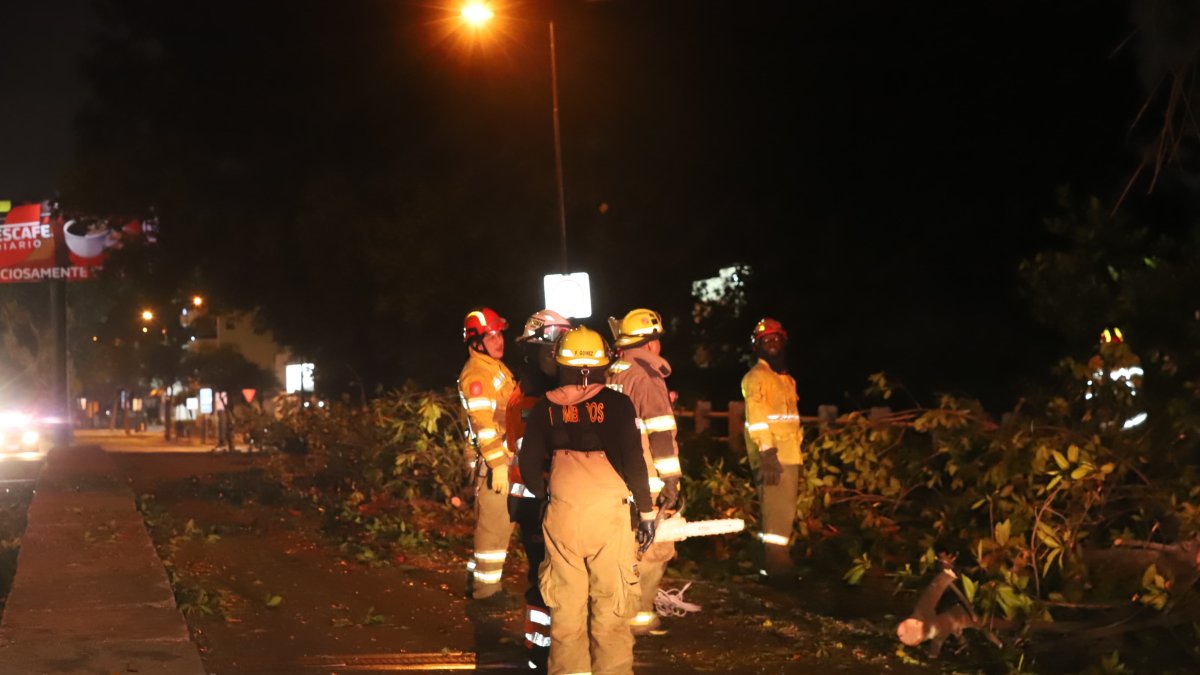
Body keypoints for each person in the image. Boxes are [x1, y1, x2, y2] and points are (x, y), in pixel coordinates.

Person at [518, 326, 656, 675]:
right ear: (601, 364)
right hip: (609, 519)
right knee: (611, 614)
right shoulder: (618, 405)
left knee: (566, 616)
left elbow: (529, 463)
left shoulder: (543, 408)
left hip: (563, 514)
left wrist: (546, 497)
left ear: (562, 364)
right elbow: (634, 461)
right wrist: (647, 512)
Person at [606, 308, 681, 636]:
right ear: (650, 343)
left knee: (624, 547)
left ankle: (616, 612)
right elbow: (660, 432)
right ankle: (638, 617)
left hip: (614, 477)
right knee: (656, 547)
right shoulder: (647, 376)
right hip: (647, 477)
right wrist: (671, 479)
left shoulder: (614, 371)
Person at [505, 309, 573, 672]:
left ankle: (553, 649)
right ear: (533, 352)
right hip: (537, 504)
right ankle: (540, 652)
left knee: (558, 577)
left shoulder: (545, 393)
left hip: (548, 501)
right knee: (544, 578)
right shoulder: (531, 398)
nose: (556, 358)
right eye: (550, 351)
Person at [457, 307, 517, 600]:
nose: (498, 341)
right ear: (475, 341)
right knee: (493, 527)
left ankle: (477, 580)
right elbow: (482, 426)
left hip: (503, 457)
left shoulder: (495, 368)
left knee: (498, 524)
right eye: (491, 336)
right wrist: (497, 464)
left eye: (500, 334)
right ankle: (486, 590)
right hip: (493, 462)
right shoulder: (478, 374)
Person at [741, 317, 803, 585]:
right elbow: (756, 418)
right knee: (777, 513)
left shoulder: (786, 380)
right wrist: (767, 453)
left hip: (790, 455)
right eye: (766, 341)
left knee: (784, 512)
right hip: (773, 457)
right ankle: (777, 569)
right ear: (757, 346)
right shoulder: (756, 378)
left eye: (776, 339)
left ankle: (778, 564)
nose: (772, 344)